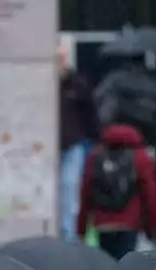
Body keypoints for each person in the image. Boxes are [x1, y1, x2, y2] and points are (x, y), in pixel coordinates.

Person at [77, 122, 156, 260]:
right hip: (129, 223)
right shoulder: (140, 157)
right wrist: (151, 229)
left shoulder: (95, 156)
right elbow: (150, 196)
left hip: (103, 225)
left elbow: (85, 193)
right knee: (125, 268)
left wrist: (81, 230)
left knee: (107, 267)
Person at [59, 41, 100, 242]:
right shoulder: (42, 84)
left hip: (71, 146)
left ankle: (69, 238)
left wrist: (94, 139)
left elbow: (90, 114)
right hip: (48, 147)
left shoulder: (77, 84)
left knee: (70, 194)